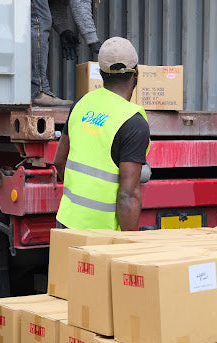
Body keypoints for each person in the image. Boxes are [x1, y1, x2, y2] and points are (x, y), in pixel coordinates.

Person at [54, 36, 150, 231]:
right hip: (102, 235)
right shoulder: (133, 122)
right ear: (136, 73)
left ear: (101, 72)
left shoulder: (81, 104)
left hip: (67, 222)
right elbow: (127, 195)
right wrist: (126, 248)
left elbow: (59, 161)